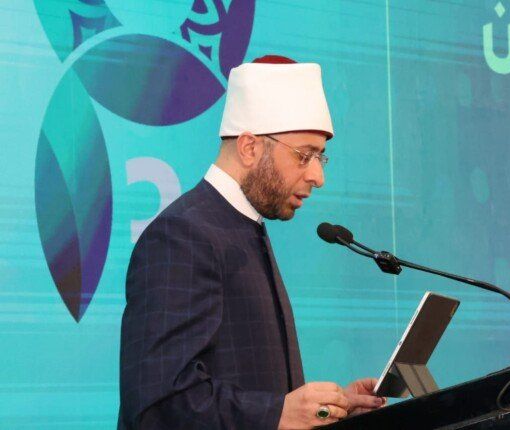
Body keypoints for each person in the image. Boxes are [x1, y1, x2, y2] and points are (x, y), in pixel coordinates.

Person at [118, 55, 385, 429]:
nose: (317, 176)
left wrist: (328, 410)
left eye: (321, 157)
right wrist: (278, 413)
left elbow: (253, 389)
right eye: (305, 155)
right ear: (249, 147)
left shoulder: (244, 227)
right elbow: (160, 403)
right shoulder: (182, 235)